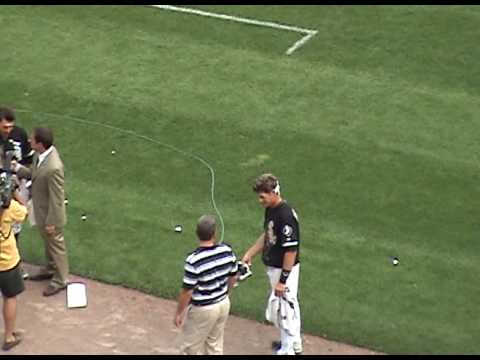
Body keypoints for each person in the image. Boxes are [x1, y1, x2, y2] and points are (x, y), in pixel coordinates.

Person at [242, 173, 303, 355]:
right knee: (288, 305)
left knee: (284, 309)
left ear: (274, 192)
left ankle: (288, 350)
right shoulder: (272, 209)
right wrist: (249, 253)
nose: (260, 200)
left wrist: (283, 280)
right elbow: (269, 235)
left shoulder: (285, 216)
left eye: (262, 196)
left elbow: (291, 251)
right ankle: (295, 343)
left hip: (283, 270)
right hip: (277, 269)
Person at [174, 214, 238, 355]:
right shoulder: (227, 251)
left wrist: (179, 313)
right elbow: (233, 277)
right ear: (214, 233)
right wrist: (226, 293)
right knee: (214, 346)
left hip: (203, 309)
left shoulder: (194, 260)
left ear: (197, 233)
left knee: (190, 349)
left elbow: (187, 291)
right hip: (223, 304)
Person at [16, 127, 69, 297]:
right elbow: (36, 175)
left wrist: (52, 221)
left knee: (56, 245)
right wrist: (18, 168)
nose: (29, 141)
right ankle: (50, 268)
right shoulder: (43, 156)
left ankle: (61, 280)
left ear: (40, 144)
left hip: (50, 214)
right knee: (48, 244)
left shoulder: (54, 167)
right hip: (41, 211)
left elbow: (57, 197)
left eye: (32, 139)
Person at [0, 107, 34, 280]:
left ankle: (15, 264)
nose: (9, 131)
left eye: (10, 127)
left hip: (16, 186)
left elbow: (28, 162)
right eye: (5, 127)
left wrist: (24, 182)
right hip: (2, 189)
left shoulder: (19, 134)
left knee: (15, 226)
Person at [0, 192, 28, 351]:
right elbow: (24, 213)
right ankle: (9, 336)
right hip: (7, 264)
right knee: (10, 298)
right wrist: (16, 194)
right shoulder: (9, 207)